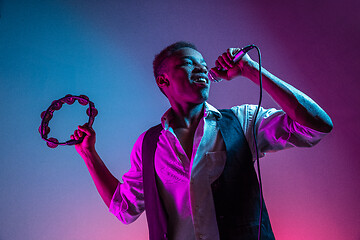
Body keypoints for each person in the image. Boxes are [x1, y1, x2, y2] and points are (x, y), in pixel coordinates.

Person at [71, 41, 333, 240]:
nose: (202, 68)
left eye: (203, 63)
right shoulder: (148, 144)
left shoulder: (242, 121)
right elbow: (124, 208)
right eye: (189, 63)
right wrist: (88, 154)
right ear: (163, 80)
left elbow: (317, 126)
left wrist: (252, 70)